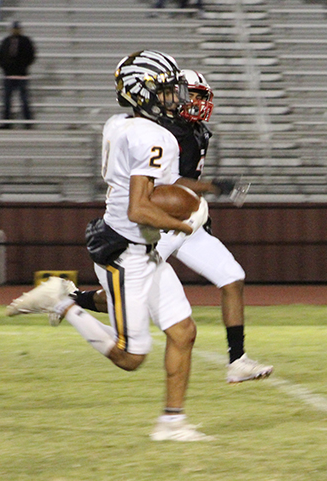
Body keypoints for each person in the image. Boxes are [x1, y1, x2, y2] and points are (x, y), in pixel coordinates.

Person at [6, 50, 214, 442]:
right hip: (126, 252)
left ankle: (172, 423)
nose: (177, 98)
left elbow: (152, 191)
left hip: (140, 245)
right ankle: (63, 302)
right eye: (167, 91)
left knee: (183, 331)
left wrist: (194, 195)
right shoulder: (156, 137)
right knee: (131, 356)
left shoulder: (121, 123)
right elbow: (140, 208)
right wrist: (184, 223)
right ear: (143, 93)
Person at [66, 69, 274, 384]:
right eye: (194, 94)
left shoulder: (196, 131)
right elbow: (166, 185)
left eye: (201, 96)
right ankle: (74, 300)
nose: (198, 102)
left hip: (186, 222)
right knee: (133, 290)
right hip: (160, 225)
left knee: (232, 277)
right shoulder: (158, 130)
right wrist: (213, 187)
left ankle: (237, 361)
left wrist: (202, 198)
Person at [0, 21, 35, 129]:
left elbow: (31, 56)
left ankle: (28, 122)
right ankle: (6, 122)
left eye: (17, 28)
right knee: (6, 100)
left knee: (24, 100)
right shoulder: (6, 41)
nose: (15, 30)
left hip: (21, 74)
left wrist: (22, 67)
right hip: (8, 74)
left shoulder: (26, 41)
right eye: (14, 28)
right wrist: (5, 67)